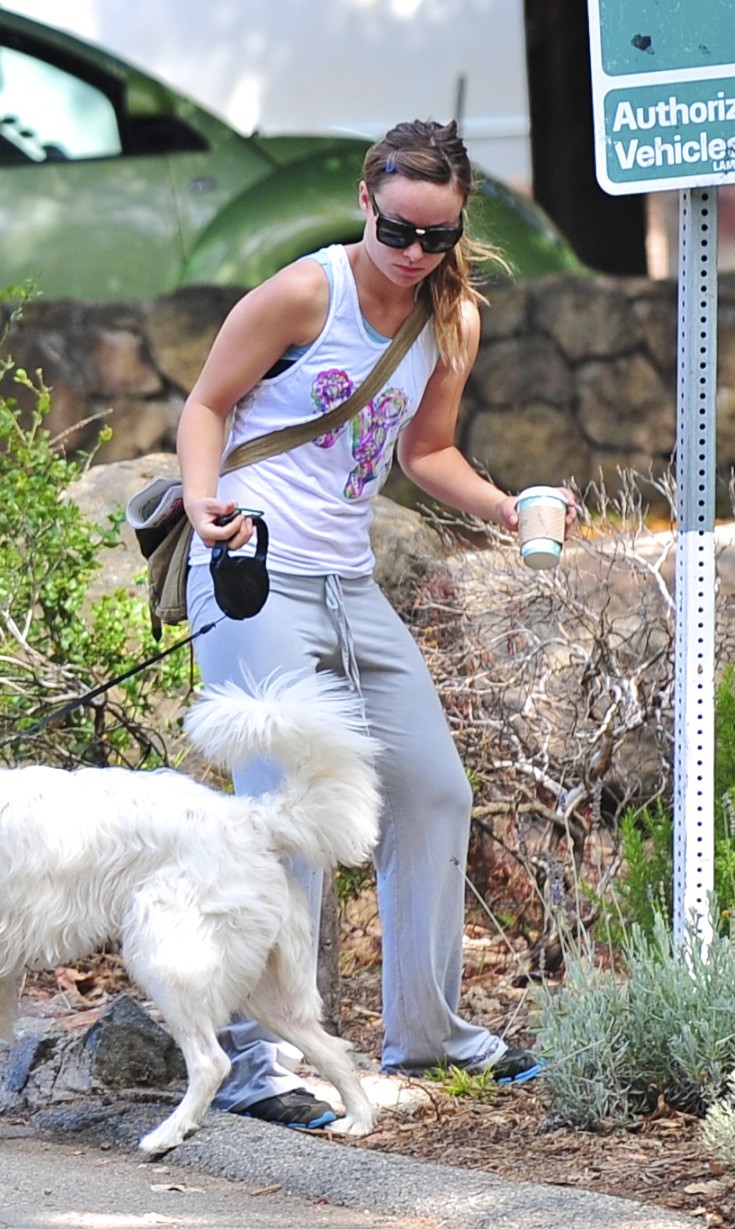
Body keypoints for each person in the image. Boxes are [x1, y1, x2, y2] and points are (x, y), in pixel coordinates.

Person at [175, 118, 577, 1130]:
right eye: (396, 229)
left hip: (349, 585)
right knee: (286, 809)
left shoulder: (449, 321)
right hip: (253, 568)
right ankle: (257, 1059)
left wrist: (505, 504)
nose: (411, 254)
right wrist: (195, 500)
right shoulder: (305, 292)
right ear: (366, 197)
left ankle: (428, 1030)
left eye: (434, 237)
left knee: (432, 788)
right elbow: (207, 405)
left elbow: (425, 451)